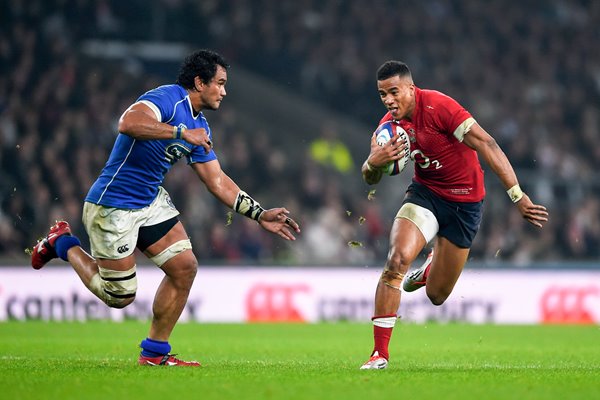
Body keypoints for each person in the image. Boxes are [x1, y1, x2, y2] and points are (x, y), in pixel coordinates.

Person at [30, 49, 301, 367]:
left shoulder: (201, 127)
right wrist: (180, 132)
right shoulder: (167, 99)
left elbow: (216, 181)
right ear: (200, 82)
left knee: (184, 267)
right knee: (119, 297)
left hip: (149, 200)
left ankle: (155, 354)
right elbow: (128, 123)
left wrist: (259, 214)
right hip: (113, 204)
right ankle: (61, 242)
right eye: (220, 83)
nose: (224, 92)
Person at [359, 61, 548, 370]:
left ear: (410, 88)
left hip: (466, 204)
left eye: (394, 92)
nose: (389, 100)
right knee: (396, 261)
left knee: (436, 295)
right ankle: (379, 354)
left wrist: (517, 194)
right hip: (425, 195)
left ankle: (431, 267)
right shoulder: (387, 129)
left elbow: (487, 143)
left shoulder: (439, 107)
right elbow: (370, 177)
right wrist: (372, 163)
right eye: (382, 95)